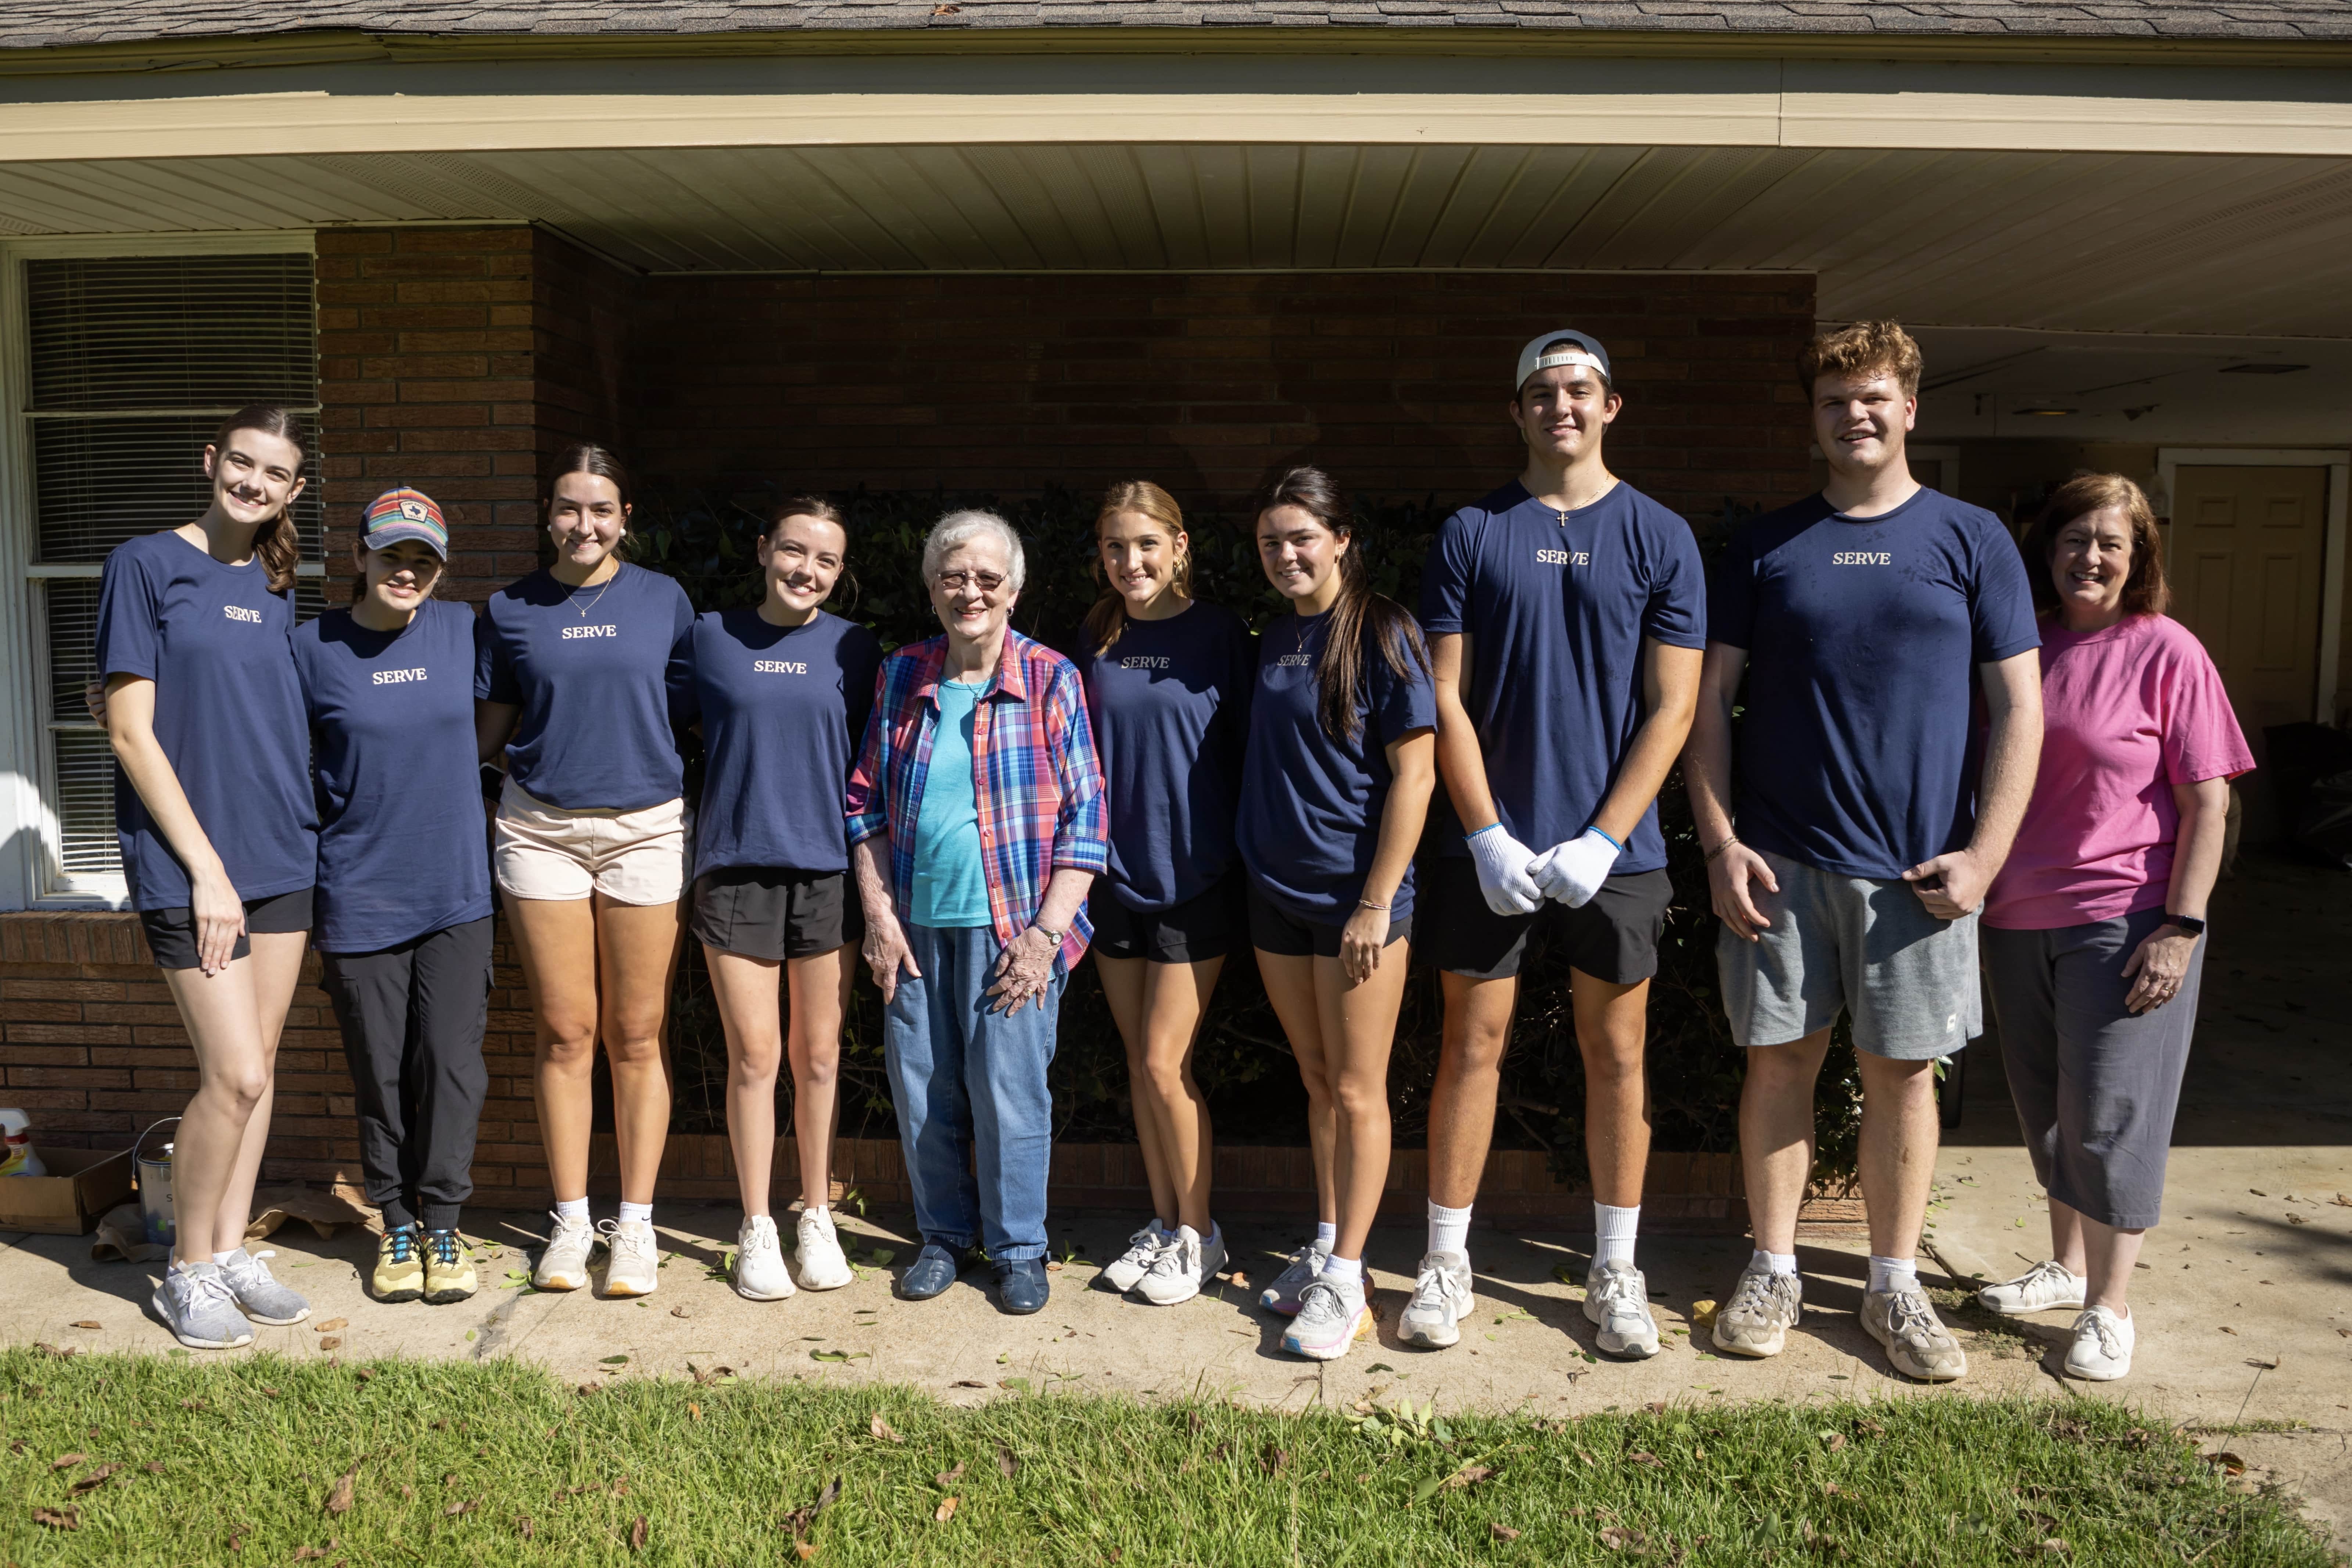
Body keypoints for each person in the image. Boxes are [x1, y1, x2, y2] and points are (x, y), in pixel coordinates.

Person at [1686, 321, 2043, 1383]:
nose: (1856, 414)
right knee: (1779, 1066)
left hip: (1919, 876)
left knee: (1902, 1079)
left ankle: (1895, 1285)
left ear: (1911, 407)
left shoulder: (1972, 539)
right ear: (1815, 417)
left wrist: (1985, 855)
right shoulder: (1765, 545)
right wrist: (1718, 842)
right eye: (1837, 399)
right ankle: (1776, 1266)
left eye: (1875, 396)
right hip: (1780, 866)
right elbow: (1708, 702)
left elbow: (2021, 708)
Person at [1411, 330, 1705, 1358]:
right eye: (1541, 392)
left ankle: (1615, 1269)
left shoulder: (1662, 535)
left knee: (1616, 1054)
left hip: (1614, 857)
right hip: (1485, 847)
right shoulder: (1472, 531)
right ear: (1518, 410)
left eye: (1580, 390)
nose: (1561, 407)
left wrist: (1602, 835)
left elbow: (1673, 709)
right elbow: (1443, 691)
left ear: (1612, 405)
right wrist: (1486, 831)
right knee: (1469, 1048)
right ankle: (1445, 1263)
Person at [1975, 474, 2250, 1382]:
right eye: (2071, 540)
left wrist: (2181, 924)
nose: (2087, 558)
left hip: (2123, 915)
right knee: (2047, 1108)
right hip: (2016, 913)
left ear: (2137, 560)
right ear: (2044, 551)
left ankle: (2108, 1307)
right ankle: (2065, 1265)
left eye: (2109, 544)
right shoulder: (2022, 648)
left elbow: (2207, 803)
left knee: (2109, 1118)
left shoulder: (2166, 650)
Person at [846, 510, 1107, 1317]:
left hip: (1014, 930)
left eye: (987, 578)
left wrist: (1045, 935)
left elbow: (1087, 819)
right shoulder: (901, 675)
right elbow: (864, 806)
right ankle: (943, 1237)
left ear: (1014, 590)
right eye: (954, 576)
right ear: (930, 587)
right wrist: (879, 918)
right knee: (923, 1089)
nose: (971, 591)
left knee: (1011, 1092)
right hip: (918, 926)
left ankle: (1020, 1247)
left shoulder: (1051, 677)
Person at [98, 405, 320, 1349]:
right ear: (210, 461)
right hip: (196, 870)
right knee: (229, 1075)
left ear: (293, 491)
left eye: (274, 474)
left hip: (282, 851)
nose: (254, 484)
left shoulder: (275, 581)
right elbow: (129, 732)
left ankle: (229, 1250)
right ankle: (185, 1269)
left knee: (258, 1077)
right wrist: (205, 868)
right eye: (242, 463)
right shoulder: (144, 565)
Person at [475, 445, 695, 1298]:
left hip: (645, 829)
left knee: (636, 1035)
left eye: (601, 510)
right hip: (540, 832)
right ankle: (570, 1221)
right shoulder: (510, 608)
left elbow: (687, 708)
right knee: (566, 1033)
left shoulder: (664, 601)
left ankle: (633, 1226)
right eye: (569, 508)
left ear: (625, 518)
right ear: (548, 512)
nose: (584, 525)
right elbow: (485, 731)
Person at [1238, 467, 1437, 1363]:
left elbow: (1417, 774)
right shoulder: (1275, 636)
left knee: (1358, 1090)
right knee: (1319, 1082)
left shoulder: (1385, 631)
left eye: (1301, 537)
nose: (1286, 554)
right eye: (1271, 541)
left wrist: (1371, 902)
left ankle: (1350, 1276)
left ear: (1341, 538)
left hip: (1357, 902)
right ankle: (1326, 1243)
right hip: (1275, 895)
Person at [677, 498, 883, 1301]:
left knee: (821, 1057)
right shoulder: (709, 638)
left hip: (826, 873)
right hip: (734, 868)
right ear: (763, 549)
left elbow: (868, 758)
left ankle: (816, 1213)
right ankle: (756, 1223)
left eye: (825, 561)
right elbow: (676, 726)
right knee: (756, 1058)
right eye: (793, 552)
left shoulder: (854, 649)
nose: (807, 571)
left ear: (840, 572)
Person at [296, 489, 495, 1306]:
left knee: (450, 1067)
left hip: (455, 890)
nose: (406, 571)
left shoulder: (465, 630)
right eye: (392, 556)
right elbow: (245, 725)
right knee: (380, 1071)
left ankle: (443, 1220)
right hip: (359, 893)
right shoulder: (309, 646)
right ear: (359, 557)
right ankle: (395, 1220)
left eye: (423, 560)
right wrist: (116, 702)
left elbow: (536, 698)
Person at [1077, 482, 1256, 1307]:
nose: (1130, 562)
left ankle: (1200, 1235)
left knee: (1162, 1060)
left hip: (1195, 880)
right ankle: (1161, 1222)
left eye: (1145, 545)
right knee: (1139, 1069)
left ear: (1179, 545)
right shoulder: (1095, 633)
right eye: (1116, 547)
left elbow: (1261, 751)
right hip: (1108, 879)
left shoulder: (1221, 634)